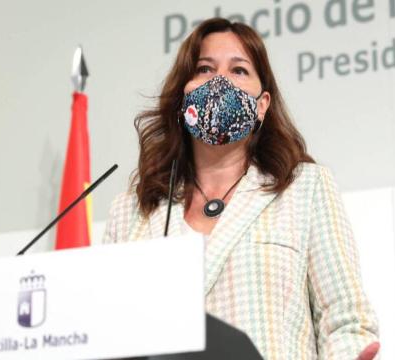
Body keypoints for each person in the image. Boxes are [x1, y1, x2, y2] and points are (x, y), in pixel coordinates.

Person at [101, 18, 380, 360]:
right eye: (205, 69)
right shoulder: (130, 212)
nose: (220, 81)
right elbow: (109, 333)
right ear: (182, 97)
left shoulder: (305, 189)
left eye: (239, 70)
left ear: (262, 105)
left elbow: (347, 322)